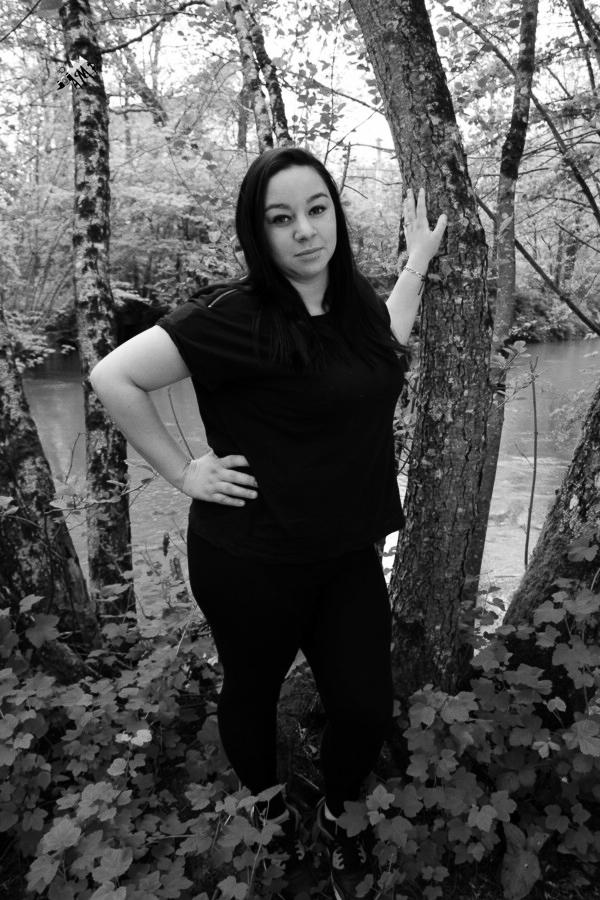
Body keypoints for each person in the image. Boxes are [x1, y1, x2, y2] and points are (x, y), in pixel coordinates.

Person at [90, 147, 447, 900]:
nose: (305, 231)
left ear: (335, 214)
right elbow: (112, 376)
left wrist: (415, 265)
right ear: (258, 231)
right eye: (281, 218)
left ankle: (338, 813)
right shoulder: (229, 315)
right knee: (250, 692)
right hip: (249, 560)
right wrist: (183, 471)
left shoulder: (353, 305)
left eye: (317, 209)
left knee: (364, 706)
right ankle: (272, 817)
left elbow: (385, 347)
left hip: (346, 555)